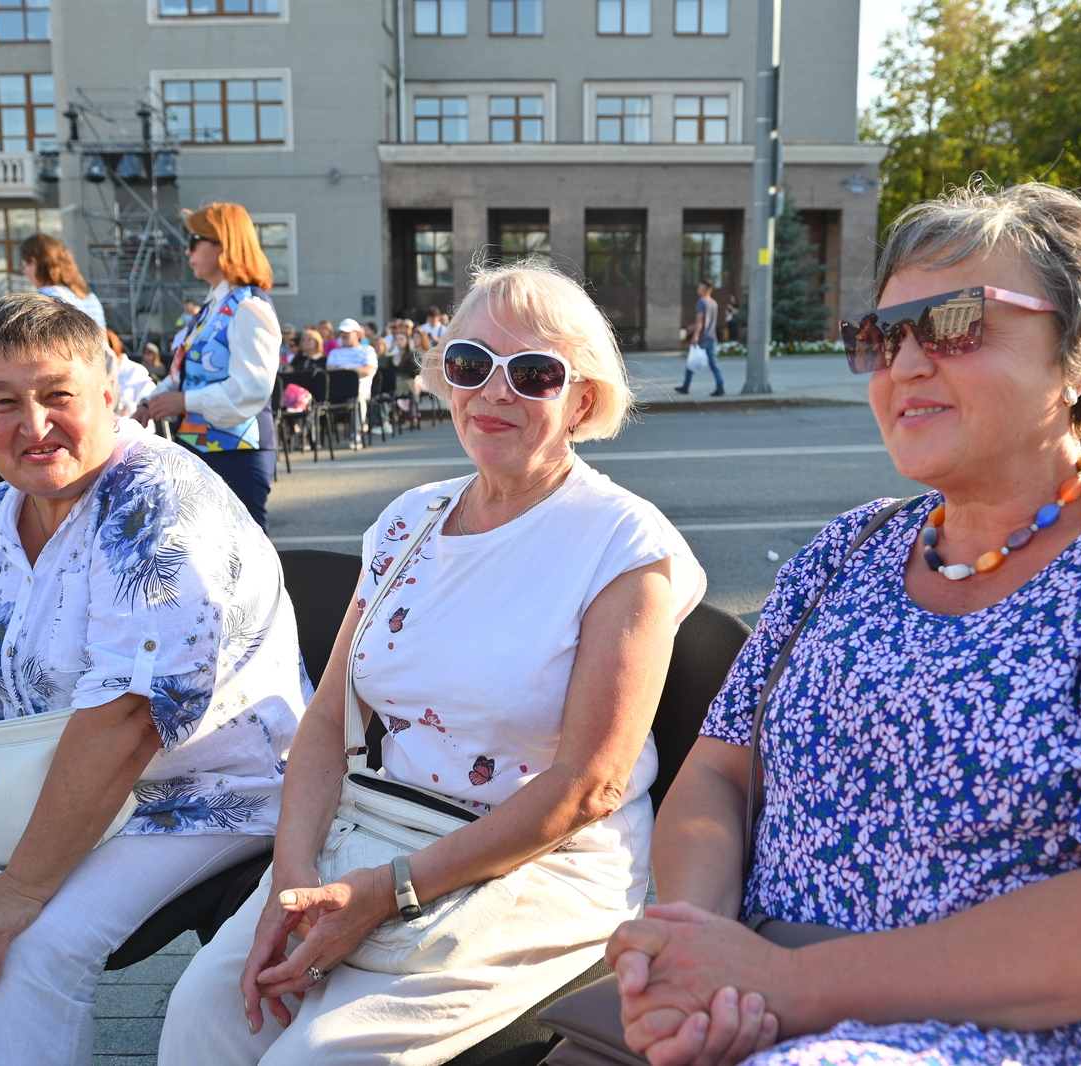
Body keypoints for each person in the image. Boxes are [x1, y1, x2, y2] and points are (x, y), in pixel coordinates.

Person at [603, 182, 1081, 1066]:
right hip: (775, 998)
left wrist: (788, 988)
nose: (904, 363)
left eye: (953, 324)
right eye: (883, 336)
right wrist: (695, 950)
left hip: (1064, 1031)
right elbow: (717, 772)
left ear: (1078, 356)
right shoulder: (848, 548)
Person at [158, 260, 705, 1066]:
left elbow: (589, 786)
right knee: (204, 1016)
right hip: (373, 825)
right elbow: (328, 719)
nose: (494, 391)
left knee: (314, 1058)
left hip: (533, 866)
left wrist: (389, 891)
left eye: (535, 373)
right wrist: (292, 876)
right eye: (470, 363)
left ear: (582, 400)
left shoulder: (623, 546)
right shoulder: (409, 519)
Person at [0, 292, 306, 1066]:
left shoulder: (155, 506)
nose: (33, 427)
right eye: (3, 404)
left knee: (25, 947)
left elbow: (130, 722)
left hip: (201, 794)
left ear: (108, 394)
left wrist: (18, 891)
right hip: (44, 775)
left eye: (57, 396)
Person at [136, 202, 281, 530]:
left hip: (237, 450)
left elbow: (252, 389)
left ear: (223, 244)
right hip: (201, 445)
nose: (187, 251)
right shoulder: (214, 306)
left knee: (243, 556)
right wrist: (149, 403)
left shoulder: (248, 306)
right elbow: (182, 374)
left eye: (194, 241)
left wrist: (184, 402)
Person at [21, 233, 106, 329]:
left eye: (25, 266)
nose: (25, 273)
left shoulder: (47, 296)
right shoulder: (90, 297)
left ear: (34, 262)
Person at [324, 318, 376, 449]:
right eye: (342, 332)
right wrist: (352, 371)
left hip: (360, 387)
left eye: (348, 332)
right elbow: (330, 371)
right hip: (337, 388)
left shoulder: (367, 350)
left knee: (356, 397)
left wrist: (345, 370)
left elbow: (367, 370)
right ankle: (309, 439)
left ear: (357, 333)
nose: (344, 334)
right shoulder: (335, 352)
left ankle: (356, 435)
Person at [675, 280, 723, 397]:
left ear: (705, 289)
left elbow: (700, 320)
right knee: (713, 364)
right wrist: (693, 326)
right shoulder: (714, 303)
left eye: (700, 287)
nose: (698, 289)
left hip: (702, 338)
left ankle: (685, 387)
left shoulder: (701, 302)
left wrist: (695, 335)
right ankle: (720, 386)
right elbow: (707, 321)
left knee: (691, 362)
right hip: (712, 336)